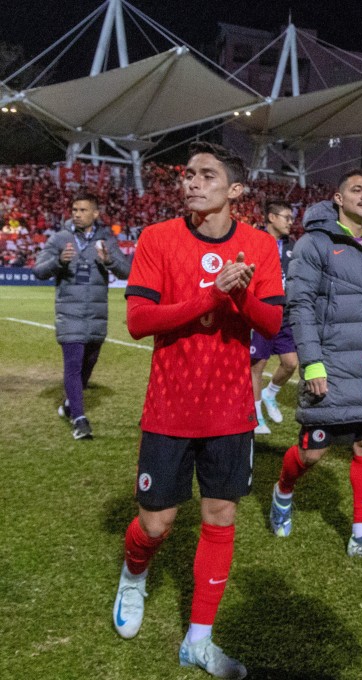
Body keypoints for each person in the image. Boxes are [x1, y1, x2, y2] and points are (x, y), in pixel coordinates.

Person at [113, 141, 283, 680]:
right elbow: (138, 320)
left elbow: (273, 325)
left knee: (220, 516)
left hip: (230, 411)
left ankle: (199, 640)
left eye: (207, 175)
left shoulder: (259, 245)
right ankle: (134, 574)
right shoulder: (158, 238)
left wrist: (237, 298)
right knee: (156, 523)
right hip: (169, 407)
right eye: (187, 174)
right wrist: (210, 297)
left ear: (235, 190)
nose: (192, 182)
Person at [267, 168, 362, 560]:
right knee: (312, 453)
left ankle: (360, 533)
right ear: (338, 199)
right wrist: (313, 364)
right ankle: (283, 490)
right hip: (331, 365)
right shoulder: (314, 244)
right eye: (357, 189)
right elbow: (300, 304)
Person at [33, 191, 131, 440]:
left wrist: (109, 260)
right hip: (70, 313)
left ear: (95, 214)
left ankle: (68, 405)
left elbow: (126, 271)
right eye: (74, 210)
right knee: (73, 366)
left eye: (83, 210)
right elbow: (39, 271)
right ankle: (80, 420)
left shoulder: (106, 239)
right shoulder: (60, 239)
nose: (77, 214)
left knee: (88, 366)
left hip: (96, 316)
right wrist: (59, 261)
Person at [250, 199, 298, 435]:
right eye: (286, 217)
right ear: (271, 217)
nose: (291, 222)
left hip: (285, 314)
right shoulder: (253, 241)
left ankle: (271, 394)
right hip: (262, 312)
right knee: (257, 366)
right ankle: (257, 418)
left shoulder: (294, 246)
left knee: (290, 363)